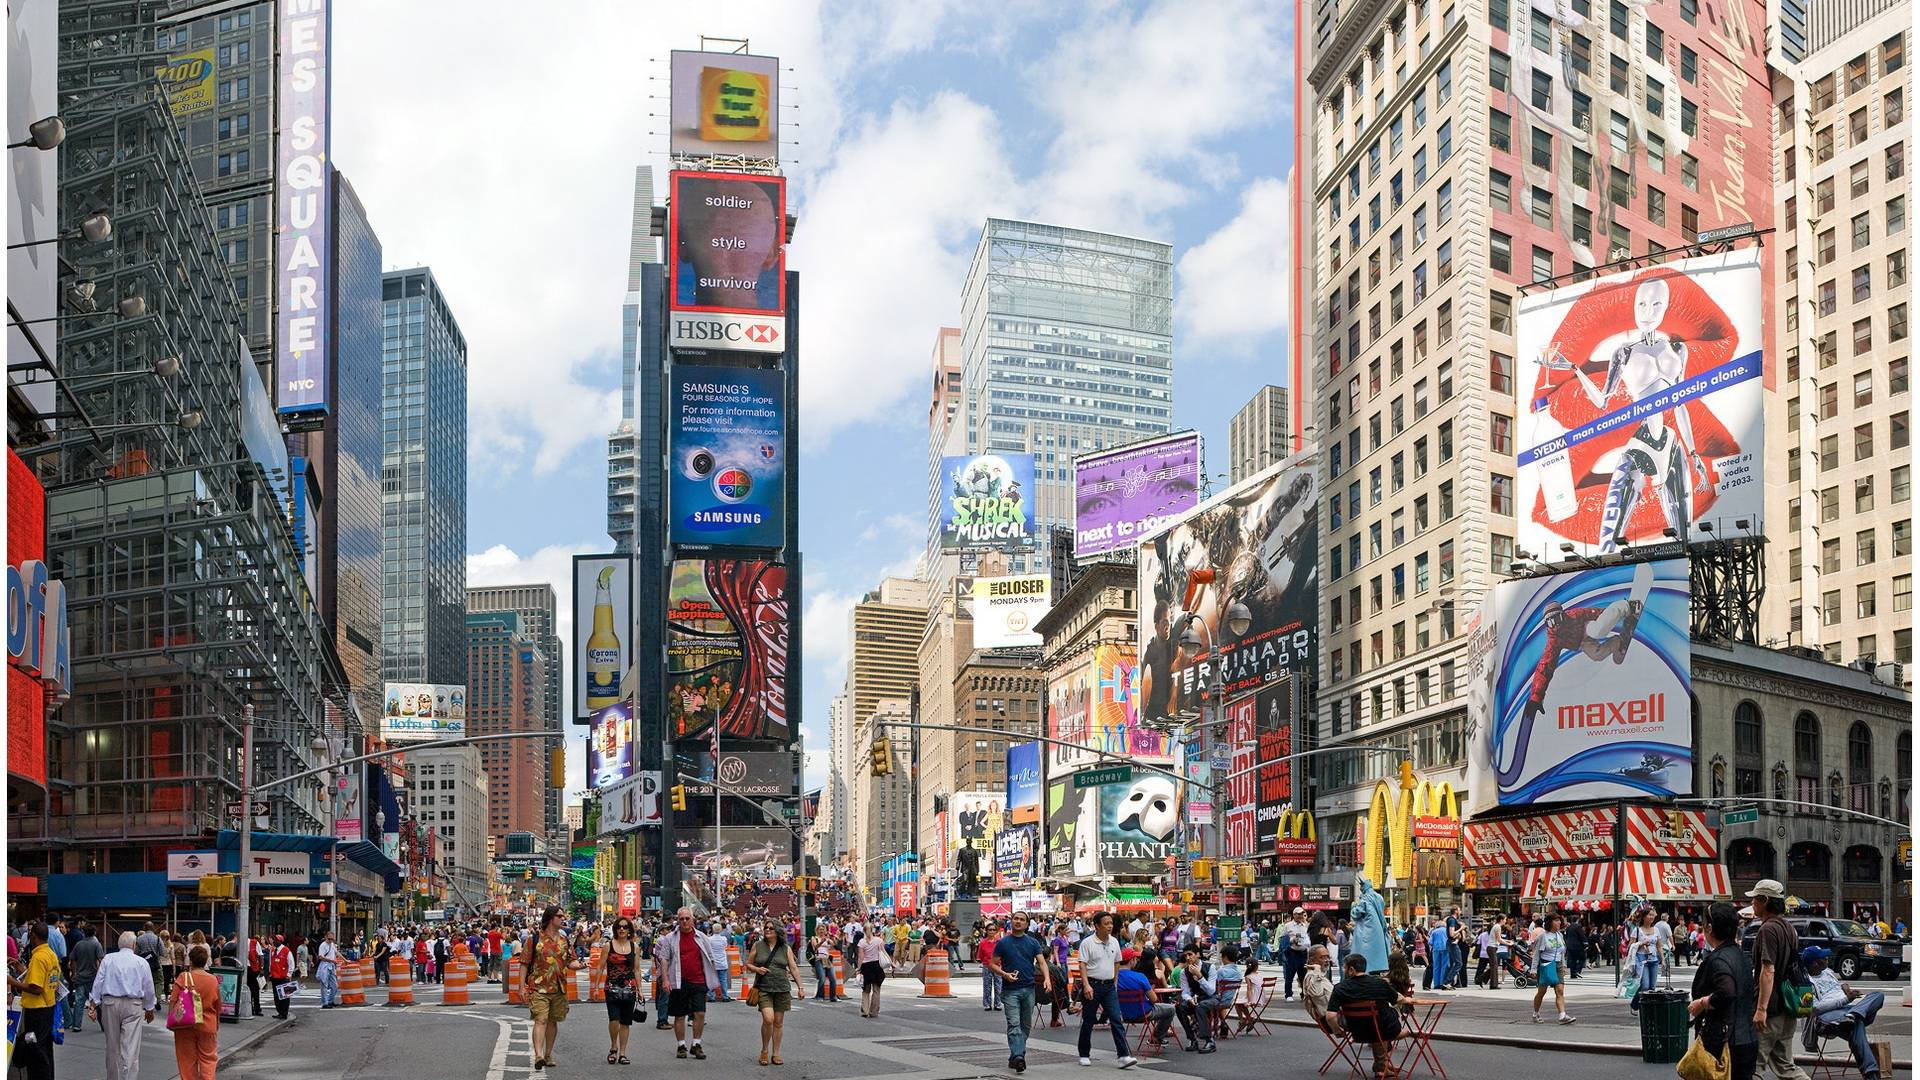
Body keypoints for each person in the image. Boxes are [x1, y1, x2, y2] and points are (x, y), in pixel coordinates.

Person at [1745, 880, 1812, 1080]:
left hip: (1770, 1010)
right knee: (1785, 1066)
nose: (1753, 903)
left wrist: (1761, 1009)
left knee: (1753, 1066)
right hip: (1788, 1007)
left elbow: (1768, 969)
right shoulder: (1789, 928)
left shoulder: (1767, 930)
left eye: (1755, 899)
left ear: (1765, 900)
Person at [1688, 902, 1760, 1080]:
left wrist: (1703, 1002)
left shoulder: (1718, 959)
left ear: (1710, 928)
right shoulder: (1741, 957)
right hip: (1747, 1037)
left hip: (1723, 1042)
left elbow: (1727, 992)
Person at [1801, 946, 1884, 1078]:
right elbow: (1814, 1009)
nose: (1827, 958)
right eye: (1824, 957)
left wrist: (1844, 987)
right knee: (1856, 1025)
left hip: (1848, 1011)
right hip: (1827, 1017)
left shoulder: (1827, 971)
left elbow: (1835, 986)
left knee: (1878, 995)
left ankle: (1854, 1015)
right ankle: (1870, 1073)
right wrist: (1845, 999)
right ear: (1815, 963)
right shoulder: (1805, 982)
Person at [985, 912, 1052, 1074]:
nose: (1018, 922)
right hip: (1010, 991)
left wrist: (1047, 978)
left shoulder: (1033, 942)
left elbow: (1042, 962)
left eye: (1022, 920)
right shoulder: (1003, 943)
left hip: (1029, 989)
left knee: (1025, 1027)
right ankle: (1018, 1056)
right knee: (1014, 1025)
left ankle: (1015, 1055)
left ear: (1027, 924)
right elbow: (992, 964)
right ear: (1011, 922)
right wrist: (1005, 975)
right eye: (1016, 919)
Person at [88, 931, 156, 1080]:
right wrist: (150, 1008)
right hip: (133, 1004)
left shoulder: (108, 959)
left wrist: (93, 1004)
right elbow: (149, 987)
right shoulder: (141, 962)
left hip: (110, 1003)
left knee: (112, 1046)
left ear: (119, 945)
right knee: (130, 1047)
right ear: (134, 945)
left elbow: (98, 981)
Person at [656, 908, 721, 1060]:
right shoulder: (670, 938)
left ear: (692, 920)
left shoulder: (701, 937)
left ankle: (696, 1044)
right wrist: (665, 980)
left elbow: (711, 958)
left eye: (687, 918)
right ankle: (681, 1045)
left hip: (698, 980)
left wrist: (712, 979)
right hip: (678, 982)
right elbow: (664, 959)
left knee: (700, 1013)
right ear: (677, 920)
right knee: (680, 1015)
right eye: (681, 919)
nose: (684, 921)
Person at [1328, 953, 1405, 1080]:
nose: (1343, 970)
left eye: (1344, 967)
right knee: (1384, 1021)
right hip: (1384, 1030)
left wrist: (1337, 1031)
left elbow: (1330, 1016)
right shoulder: (1380, 983)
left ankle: (1381, 1067)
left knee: (1377, 1024)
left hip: (1358, 1032)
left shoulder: (1339, 988)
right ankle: (1382, 1067)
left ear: (1351, 970)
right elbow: (1397, 999)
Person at [526, 907, 583, 1070]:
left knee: (552, 1022)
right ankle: (538, 1055)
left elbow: (570, 962)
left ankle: (548, 1054)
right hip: (538, 986)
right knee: (540, 1019)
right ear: (551, 918)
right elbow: (524, 962)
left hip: (559, 987)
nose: (563, 918)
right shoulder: (534, 938)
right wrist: (520, 987)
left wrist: (579, 966)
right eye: (560, 916)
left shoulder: (564, 941)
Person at [1075, 911, 1133, 1067]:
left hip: (1109, 987)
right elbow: (1082, 965)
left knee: (1116, 1019)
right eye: (1106, 923)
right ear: (1097, 925)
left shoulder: (1114, 941)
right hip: (1093, 985)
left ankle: (1123, 1055)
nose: (1109, 926)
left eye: (1111, 923)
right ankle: (1084, 1054)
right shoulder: (1087, 943)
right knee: (1088, 1020)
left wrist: (1114, 982)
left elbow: (1117, 962)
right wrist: (1086, 985)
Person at [746, 920, 802, 1066]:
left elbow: (793, 968)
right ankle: (764, 1050)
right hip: (764, 988)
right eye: (766, 927)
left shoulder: (785, 948)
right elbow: (748, 964)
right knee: (768, 1019)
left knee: (778, 1023)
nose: (768, 930)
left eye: (771, 928)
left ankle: (775, 1053)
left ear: (777, 930)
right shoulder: (758, 945)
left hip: (782, 988)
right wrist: (757, 969)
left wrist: (800, 987)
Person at [13, 922, 62, 1080]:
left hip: (37, 1011)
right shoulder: (50, 954)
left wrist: (11, 981)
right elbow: (41, 978)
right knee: (45, 1049)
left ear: (33, 936)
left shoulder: (38, 957)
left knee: (35, 1050)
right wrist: (21, 969)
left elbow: (36, 988)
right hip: (47, 1009)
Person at [167, 943, 221, 1080]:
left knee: (186, 1061)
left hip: (185, 1026)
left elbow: (173, 1001)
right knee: (208, 1060)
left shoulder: (183, 977)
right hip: (207, 1025)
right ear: (205, 961)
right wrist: (217, 1023)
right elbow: (217, 1005)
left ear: (190, 961)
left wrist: (172, 1019)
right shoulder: (213, 980)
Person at [1115, 951, 1170, 1056]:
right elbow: (1154, 999)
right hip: (1144, 1013)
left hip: (1122, 1015)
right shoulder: (1139, 977)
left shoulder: (1114, 978)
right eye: (1136, 959)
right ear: (1132, 961)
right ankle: (1156, 1037)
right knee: (1171, 1009)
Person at [602, 918, 640, 1066]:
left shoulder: (635, 947)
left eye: (625, 927)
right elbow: (600, 966)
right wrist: (596, 987)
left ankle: (622, 1053)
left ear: (629, 929)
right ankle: (613, 1047)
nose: (622, 929)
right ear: (615, 929)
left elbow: (636, 969)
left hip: (630, 988)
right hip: (611, 987)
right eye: (619, 927)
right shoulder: (608, 946)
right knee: (614, 1019)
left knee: (625, 1022)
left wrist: (640, 990)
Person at [1528, 914, 1578, 1025]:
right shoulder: (1543, 936)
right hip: (1546, 965)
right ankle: (1535, 1013)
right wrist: (1534, 969)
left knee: (1560, 991)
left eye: (1559, 920)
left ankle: (1562, 1015)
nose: (1559, 922)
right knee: (1542, 991)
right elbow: (1537, 954)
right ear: (1550, 922)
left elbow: (1562, 951)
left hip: (1558, 965)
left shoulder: (1559, 935)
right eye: (1556, 920)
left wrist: (1564, 965)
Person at [66, 924, 102, 1033]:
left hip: (80, 977)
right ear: (94, 933)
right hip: (93, 977)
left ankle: (77, 1025)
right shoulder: (96, 944)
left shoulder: (79, 945)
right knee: (97, 1001)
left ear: (83, 932)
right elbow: (101, 960)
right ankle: (104, 1024)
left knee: (79, 1001)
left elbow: (73, 960)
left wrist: (74, 973)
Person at [1628, 907, 1663, 1010]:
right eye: (1649, 915)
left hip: (1654, 960)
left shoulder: (1656, 929)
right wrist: (1641, 943)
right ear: (1643, 917)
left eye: (1653, 915)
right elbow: (1631, 946)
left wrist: (1663, 960)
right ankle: (1638, 1005)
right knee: (1645, 986)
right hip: (1641, 960)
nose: (1652, 917)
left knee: (1652, 987)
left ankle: (1647, 1006)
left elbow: (1659, 946)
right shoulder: (1637, 930)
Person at [857, 918, 890, 1018]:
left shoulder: (862, 942)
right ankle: (874, 1011)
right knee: (876, 990)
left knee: (866, 991)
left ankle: (865, 1010)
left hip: (866, 966)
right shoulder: (879, 941)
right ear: (873, 930)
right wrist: (891, 962)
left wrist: (859, 968)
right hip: (877, 966)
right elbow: (883, 953)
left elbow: (860, 957)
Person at [1281, 909, 1311, 1000]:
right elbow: (1283, 939)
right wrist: (1292, 940)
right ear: (1294, 915)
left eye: (1302, 914)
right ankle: (1288, 994)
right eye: (1298, 914)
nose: (1300, 916)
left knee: (1304, 974)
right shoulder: (1288, 926)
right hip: (1292, 952)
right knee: (1290, 974)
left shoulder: (1306, 925)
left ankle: (1304, 993)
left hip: (1303, 952)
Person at [808, 926, 839, 1003]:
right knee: (822, 977)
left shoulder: (827, 939)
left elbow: (834, 945)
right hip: (819, 959)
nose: (821, 931)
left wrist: (834, 938)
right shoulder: (814, 938)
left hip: (827, 959)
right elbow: (815, 947)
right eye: (820, 929)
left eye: (823, 929)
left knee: (833, 978)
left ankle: (833, 997)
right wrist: (821, 941)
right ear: (817, 930)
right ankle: (820, 996)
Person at [978, 921, 1003, 1010]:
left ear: (996, 931)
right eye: (989, 930)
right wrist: (986, 962)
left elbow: (1003, 954)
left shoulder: (1000, 942)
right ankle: (987, 1004)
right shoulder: (983, 943)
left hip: (998, 966)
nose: (991, 932)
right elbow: (980, 956)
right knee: (987, 986)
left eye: (993, 930)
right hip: (987, 966)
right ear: (986, 931)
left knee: (998, 986)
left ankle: (998, 1004)